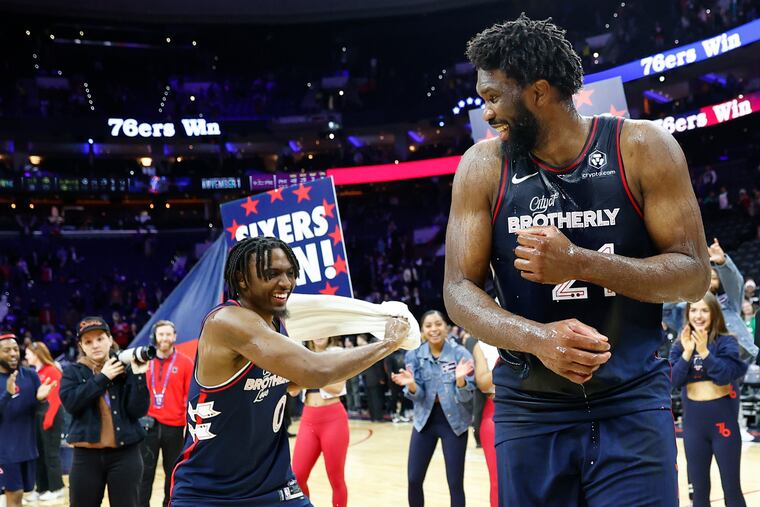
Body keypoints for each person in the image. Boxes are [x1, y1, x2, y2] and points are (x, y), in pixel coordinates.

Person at [443, 14, 711, 506]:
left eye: (493, 97)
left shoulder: (643, 147)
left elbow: (694, 275)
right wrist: (538, 338)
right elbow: (459, 290)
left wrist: (580, 262)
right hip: (529, 407)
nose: (487, 114)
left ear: (539, 93)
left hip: (632, 399)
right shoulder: (481, 166)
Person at [169, 236, 410, 506]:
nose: (285, 283)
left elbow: (289, 385)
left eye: (290, 273)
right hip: (209, 491)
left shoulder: (276, 325)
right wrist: (388, 343)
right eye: (271, 274)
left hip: (274, 487)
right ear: (241, 280)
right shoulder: (225, 322)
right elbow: (314, 372)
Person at [59, 316, 150, 507]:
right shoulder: (72, 372)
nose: (95, 345)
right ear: (81, 346)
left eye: (100, 339)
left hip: (126, 454)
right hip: (86, 456)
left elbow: (137, 411)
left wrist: (140, 376)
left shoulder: (126, 366)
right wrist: (103, 378)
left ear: (110, 340)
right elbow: (71, 404)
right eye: (88, 342)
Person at [669, 292, 748, 506]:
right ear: (687, 313)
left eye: (704, 310)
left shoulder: (726, 342)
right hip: (694, 427)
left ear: (714, 313)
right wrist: (687, 353)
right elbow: (673, 380)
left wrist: (704, 352)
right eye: (693, 310)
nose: (698, 315)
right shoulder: (680, 344)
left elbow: (724, 376)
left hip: (723, 426)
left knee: (732, 489)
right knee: (699, 492)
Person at [391, 310, 474, 507]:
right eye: (428, 325)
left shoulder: (460, 354)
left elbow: (465, 397)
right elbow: (418, 396)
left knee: (455, 483)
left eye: (438, 324)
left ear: (446, 327)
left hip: (454, 423)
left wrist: (460, 379)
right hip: (424, 421)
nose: (434, 329)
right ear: (422, 331)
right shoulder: (414, 356)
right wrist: (411, 384)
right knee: (413, 479)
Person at [138, 320, 193, 507]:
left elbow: (190, 396)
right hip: (148, 426)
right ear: (155, 336)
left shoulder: (186, 362)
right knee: (144, 473)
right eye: (161, 334)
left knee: (173, 473)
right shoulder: (144, 362)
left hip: (175, 427)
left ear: (175, 336)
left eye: (168, 334)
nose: (164, 338)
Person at [290, 337, 349, 507]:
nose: (319, 335)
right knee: (298, 476)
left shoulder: (337, 353)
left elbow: (337, 387)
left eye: (323, 330)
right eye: (315, 331)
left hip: (333, 419)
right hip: (308, 419)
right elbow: (293, 391)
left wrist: (309, 374)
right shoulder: (302, 354)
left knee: (336, 479)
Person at [0, 333, 56, 507]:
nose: (13, 354)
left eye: (16, 349)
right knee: (14, 496)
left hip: (28, 448)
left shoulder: (31, 375)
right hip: (4, 452)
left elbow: (39, 412)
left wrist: (41, 400)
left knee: (21, 496)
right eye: (7, 350)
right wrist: (7, 395)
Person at [25, 342, 65, 503]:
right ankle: (41, 488)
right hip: (39, 418)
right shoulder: (37, 373)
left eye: (28, 353)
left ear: (37, 354)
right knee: (40, 454)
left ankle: (57, 488)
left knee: (51, 454)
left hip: (51, 416)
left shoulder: (52, 371)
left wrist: (48, 420)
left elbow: (55, 399)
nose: (26, 356)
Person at [471, 340, 497, 507]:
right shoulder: (482, 345)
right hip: (494, 414)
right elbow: (483, 382)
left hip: (533, 413)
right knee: (497, 481)